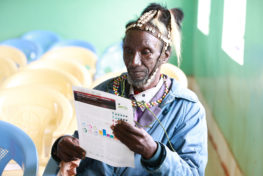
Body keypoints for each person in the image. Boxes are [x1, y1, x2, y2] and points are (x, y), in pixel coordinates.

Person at [48, 3, 208, 176]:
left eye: (146, 52)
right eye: (128, 51)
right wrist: (62, 146)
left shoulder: (186, 109)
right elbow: (85, 144)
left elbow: (192, 173)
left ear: (165, 55)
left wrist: (154, 153)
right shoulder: (105, 91)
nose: (133, 62)